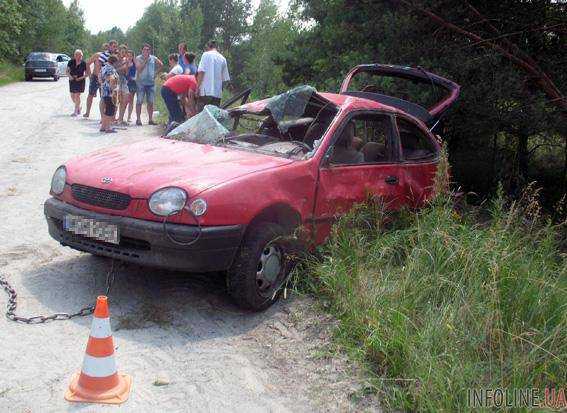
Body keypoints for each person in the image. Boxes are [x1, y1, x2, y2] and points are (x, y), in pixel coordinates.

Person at [83, 40, 117, 118]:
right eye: (112, 46)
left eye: (115, 46)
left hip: (107, 79)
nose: (114, 48)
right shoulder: (99, 55)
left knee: (104, 97)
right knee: (91, 94)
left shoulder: (114, 56)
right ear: (108, 46)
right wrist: (90, 75)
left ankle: (104, 116)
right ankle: (87, 112)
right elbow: (88, 63)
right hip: (96, 77)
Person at [196, 40, 230, 112]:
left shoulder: (205, 55)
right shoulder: (223, 59)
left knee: (202, 116)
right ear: (216, 47)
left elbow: (201, 72)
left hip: (205, 92)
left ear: (208, 47)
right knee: (213, 117)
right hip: (217, 94)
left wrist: (197, 87)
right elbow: (225, 79)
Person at [135, 43, 163, 126]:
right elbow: (139, 69)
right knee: (139, 101)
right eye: (144, 49)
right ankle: (138, 119)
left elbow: (161, 65)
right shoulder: (138, 58)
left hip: (151, 83)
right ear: (142, 50)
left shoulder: (153, 58)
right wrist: (146, 61)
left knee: (150, 102)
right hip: (141, 83)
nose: (146, 51)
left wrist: (155, 73)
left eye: (148, 50)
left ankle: (150, 119)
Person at [100, 55, 119, 133]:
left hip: (104, 90)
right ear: (114, 63)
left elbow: (100, 77)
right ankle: (108, 128)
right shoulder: (111, 69)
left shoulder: (104, 67)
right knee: (109, 110)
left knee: (106, 109)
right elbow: (112, 80)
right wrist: (113, 91)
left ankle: (103, 126)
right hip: (110, 92)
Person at [66, 49, 87, 116]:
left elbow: (87, 74)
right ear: (74, 55)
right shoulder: (71, 62)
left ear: (82, 56)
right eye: (76, 55)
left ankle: (75, 111)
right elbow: (67, 71)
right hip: (72, 80)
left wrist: (80, 78)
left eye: (79, 55)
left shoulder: (84, 63)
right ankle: (78, 107)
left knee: (77, 95)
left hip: (80, 81)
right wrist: (70, 76)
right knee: (72, 96)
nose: (78, 56)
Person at [125, 50, 137, 123]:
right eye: (128, 56)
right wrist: (127, 66)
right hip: (126, 82)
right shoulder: (124, 63)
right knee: (124, 100)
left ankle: (129, 116)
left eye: (131, 56)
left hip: (133, 82)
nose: (129, 57)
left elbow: (138, 71)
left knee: (131, 100)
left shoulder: (135, 63)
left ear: (133, 56)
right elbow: (125, 73)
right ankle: (121, 116)